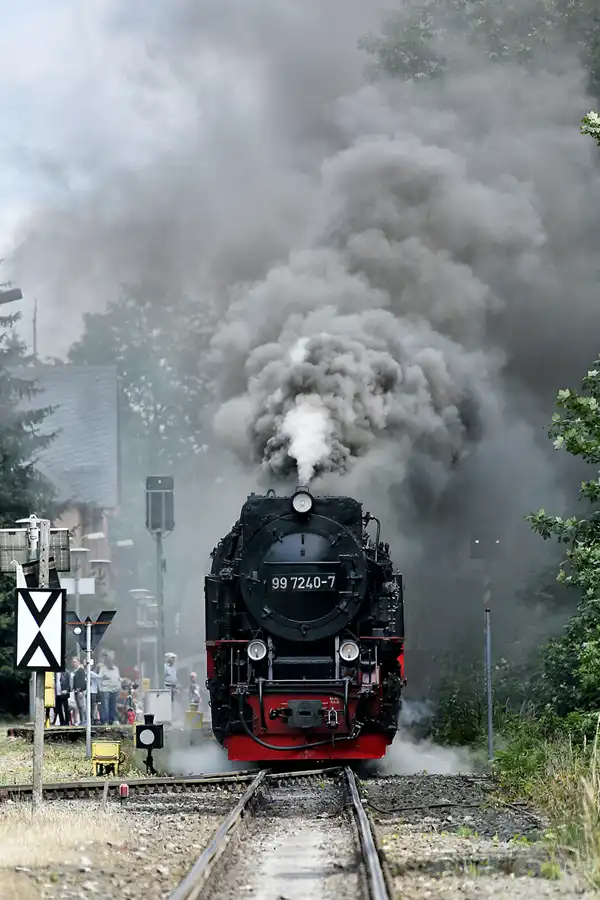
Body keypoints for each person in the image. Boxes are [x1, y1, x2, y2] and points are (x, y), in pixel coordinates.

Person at [98, 652, 121, 725]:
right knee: (105, 706)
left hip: (115, 690)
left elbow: (118, 678)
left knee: (113, 706)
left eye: (111, 660)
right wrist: (101, 688)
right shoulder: (103, 669)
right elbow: (99, 678)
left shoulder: (116, 669)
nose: (110, 662)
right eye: (108, 660)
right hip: (105, 690)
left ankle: (113, 719)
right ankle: (105, 721)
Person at [72, 657, 86, 725]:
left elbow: (82, 681)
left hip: (80, 691)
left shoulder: (81, 670)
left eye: (75, 662)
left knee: (82, 706)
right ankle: (81, 721)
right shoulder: (75, 671)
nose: (74, 663)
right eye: (73, 662)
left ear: (78, 662)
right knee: (79, 706)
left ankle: (84, 720)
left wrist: (80, 690)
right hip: (75, 691)